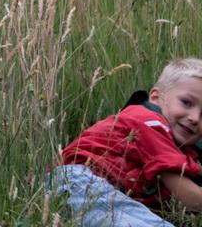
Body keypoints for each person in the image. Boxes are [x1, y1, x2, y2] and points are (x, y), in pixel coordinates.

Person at [47, 58, 202, 225]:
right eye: (186, 103)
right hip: (81, 182)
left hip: (107, 195)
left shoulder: (181, 148)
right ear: (156, 97)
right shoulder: (149, 122)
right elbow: (188, 195)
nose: (194, 118)